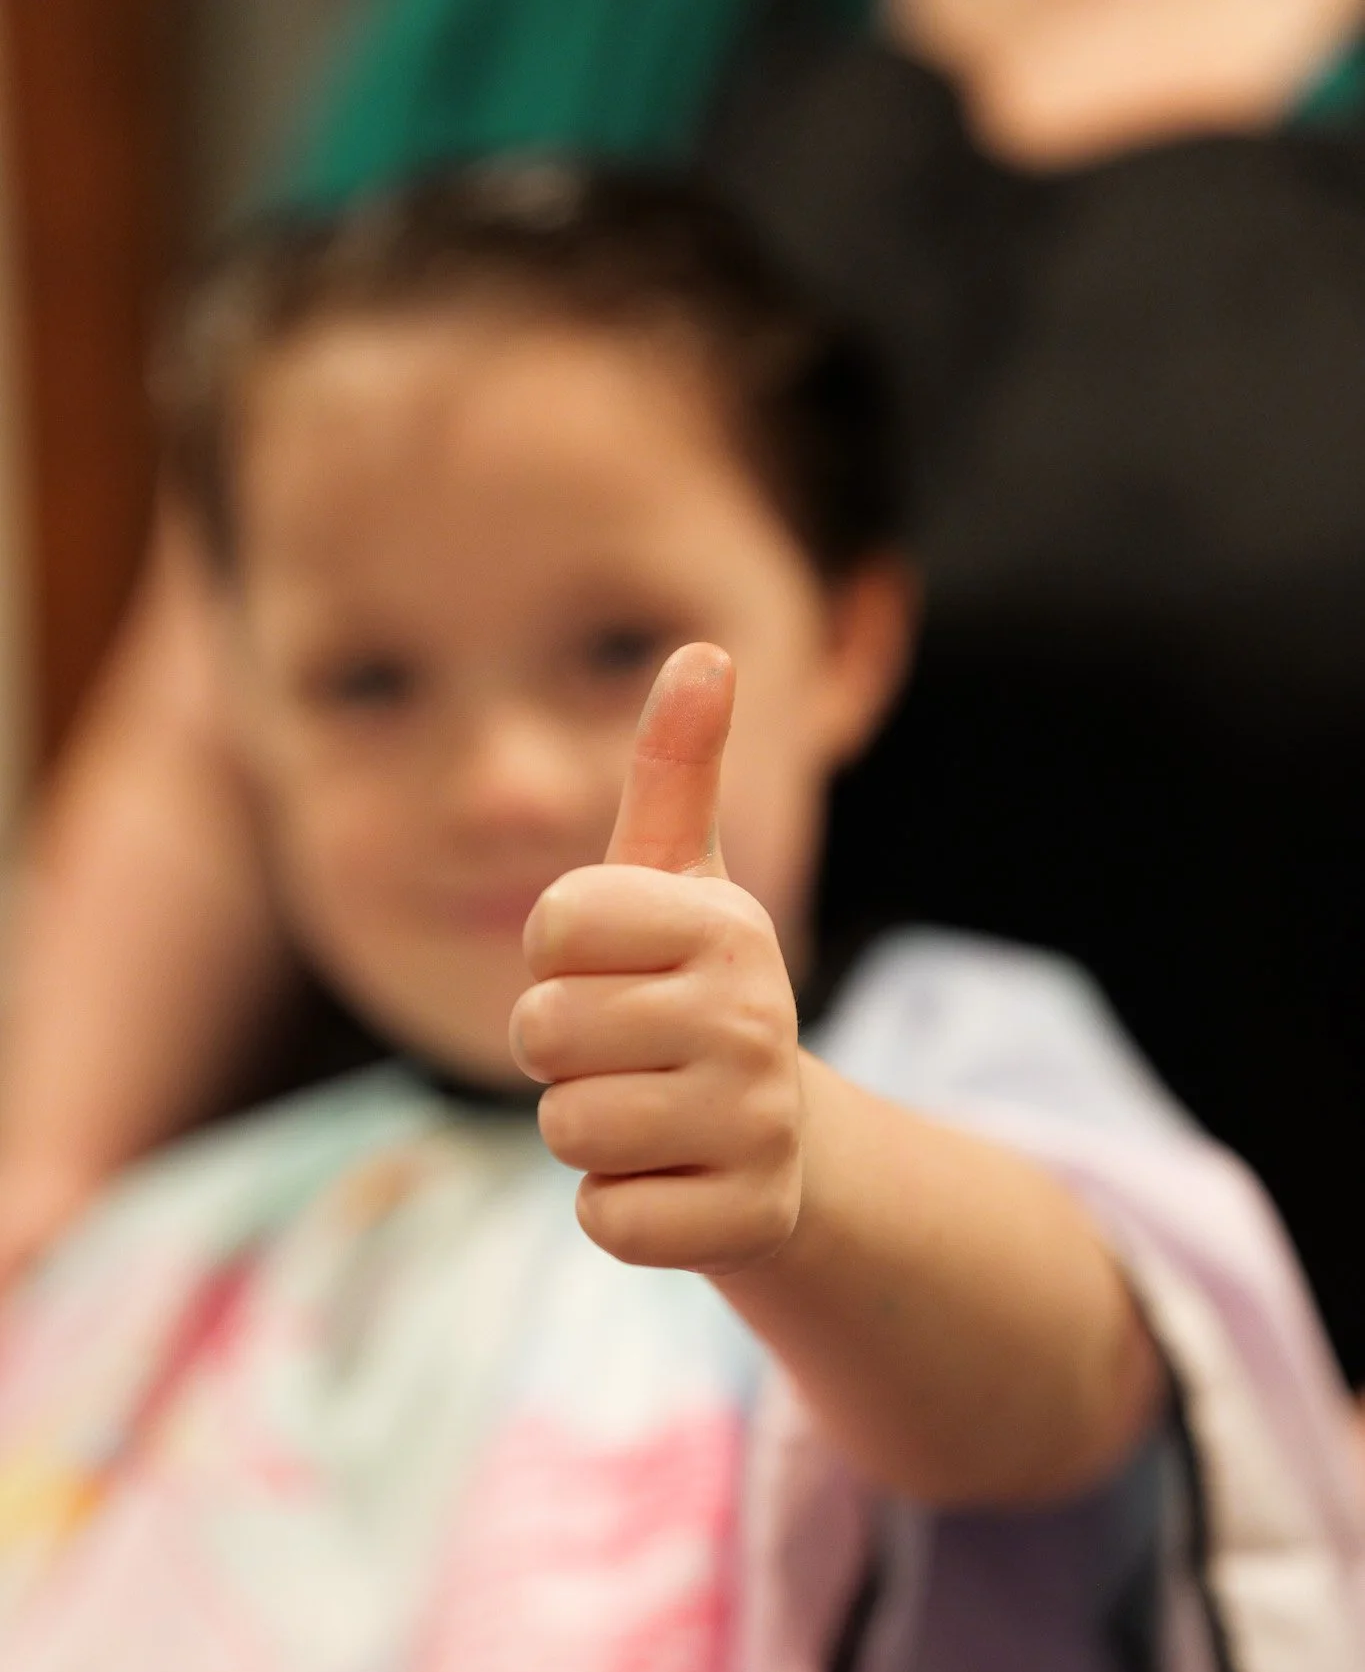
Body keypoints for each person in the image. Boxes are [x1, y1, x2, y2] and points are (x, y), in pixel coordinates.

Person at [0, 163, 1359, 1669]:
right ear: (241, 712)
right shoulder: (186, 1241)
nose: (498, 784)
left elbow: (1088, 1384)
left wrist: (805, 1172)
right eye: (368, 682)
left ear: (846, 638)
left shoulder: (943, 1064)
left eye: (612, 646)